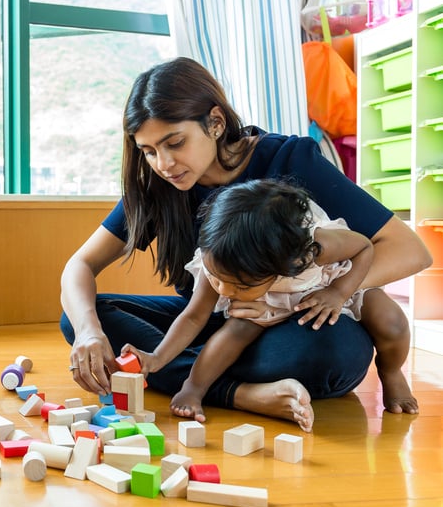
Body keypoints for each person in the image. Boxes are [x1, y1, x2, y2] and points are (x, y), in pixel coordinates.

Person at [59, 57, 431, 430]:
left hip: (288, 319)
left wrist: (302, 295)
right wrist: (90, 331)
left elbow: (409, 251)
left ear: (216, 123)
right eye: (149, 151)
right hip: (211, 319)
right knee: (83, 319)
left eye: (175, 143)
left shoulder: (289, 161)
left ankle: (197, 378)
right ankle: (242, 393)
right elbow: (80, 266)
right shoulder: (157, 185)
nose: (164, 163)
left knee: (336, 352)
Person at [118, 179, 418, 431]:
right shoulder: (219, 261)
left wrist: (339, 292)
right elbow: (193, 317)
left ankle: (391, 371)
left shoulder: (316, 248)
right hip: (264, 305)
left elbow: (364, 247)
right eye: (218, 279)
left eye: (239, 285)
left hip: (327, 286)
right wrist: (156, 358)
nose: (224, 290)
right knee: (234, 332)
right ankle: (194, 386)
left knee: (390, 320)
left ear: (285, 265)